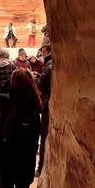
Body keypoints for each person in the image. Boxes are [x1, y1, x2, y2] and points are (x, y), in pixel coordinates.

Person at [35, 45, 52, 176]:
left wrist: (37, 78)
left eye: (44, 52)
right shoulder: (52, 64)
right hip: (50, 103)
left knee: (44, 135)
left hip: (47, 105)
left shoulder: (49, 65)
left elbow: (41, 84)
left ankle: (40, 168)